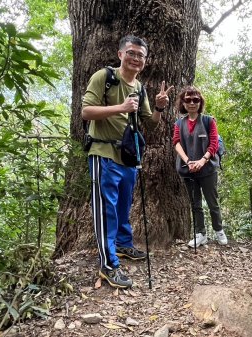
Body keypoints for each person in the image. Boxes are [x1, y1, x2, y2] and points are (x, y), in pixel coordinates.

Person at [82, 35, 173, 288]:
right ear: (121, 54)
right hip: (103, 153)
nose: (136, 59)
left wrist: (159, 107)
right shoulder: (105, 77)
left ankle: (123, 245)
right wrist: (120, 107)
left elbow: (150, 122)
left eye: (141, 56)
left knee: (123, 205)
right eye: (132, 53)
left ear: (145, 61)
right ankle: (108, 265)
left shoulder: (140, 87)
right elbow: (86, 111)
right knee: (106, 209)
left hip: (128, 156)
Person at [172, 86, 228, 248]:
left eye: (195, 100)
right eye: (188, 100)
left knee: (212, 202)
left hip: (207, 169)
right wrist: (188, 161)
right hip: (188, 169)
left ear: (200, 102)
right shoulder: (179, 123)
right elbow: (176, 143)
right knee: (195, 203)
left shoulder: (208, 121)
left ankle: (219, 230)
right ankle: (200, 233)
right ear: (183, 102)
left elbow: (214, 143)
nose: (192, 103)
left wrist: (202, 161)